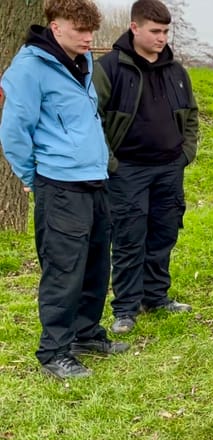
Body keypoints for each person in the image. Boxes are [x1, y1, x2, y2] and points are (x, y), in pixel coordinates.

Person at [0, 0, 129, 379]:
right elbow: (13, 132)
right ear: (56, 27)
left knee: (95, 263)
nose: (89, 37)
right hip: (59, 186)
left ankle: (86, 334)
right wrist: (33, 177)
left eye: (92, 29)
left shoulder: (82, 62)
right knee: (64, 269)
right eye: (80, 30)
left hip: (94, 180)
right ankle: (54, 350)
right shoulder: (29, 69)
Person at [94, 0, 199, 334]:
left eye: (166, 31)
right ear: (134, 27)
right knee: (128, 238)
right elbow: (90, 118)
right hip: (127, 171)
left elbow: (192, 115)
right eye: (155, 31)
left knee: (163, 235)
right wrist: (111, 163)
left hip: (170, 168)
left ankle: (156, 296)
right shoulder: (109, 68)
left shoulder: (177, 71)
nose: (162, 38)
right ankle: (125, 308)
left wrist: (186, 153)